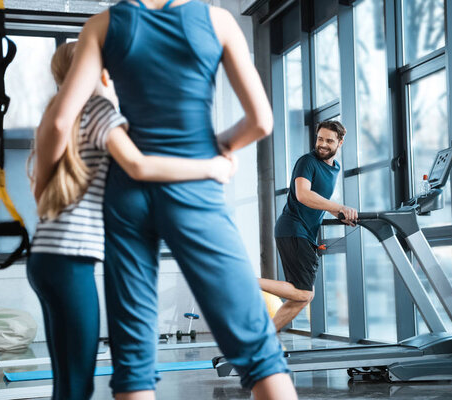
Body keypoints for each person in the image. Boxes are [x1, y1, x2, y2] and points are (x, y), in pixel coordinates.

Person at [34, 1, 297, 400]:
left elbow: (58, 120)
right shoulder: (218, 20)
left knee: (134, 360)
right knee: (259, 353)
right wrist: (218, 148)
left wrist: (44, 187)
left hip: (126, 198)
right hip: (193, 188)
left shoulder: (103, 25)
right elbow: (261, 121)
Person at [27, 41, 237, 400]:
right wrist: (210, 167)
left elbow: (40, 194)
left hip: (45, 260)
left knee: (67, 380)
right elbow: (139, 165)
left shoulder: (58, 115)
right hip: (70, 262)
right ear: (98, 70)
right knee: (77, 382)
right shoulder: (98, 109)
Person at [259, 120, 358, 332]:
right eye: (320, 138)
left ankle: (261, 339)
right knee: (304, 293)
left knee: (300, 298)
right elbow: (304, 195)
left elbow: (319, 200)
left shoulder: (335, 168)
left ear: (340, 143)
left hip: (303, 232)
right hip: (294, 229)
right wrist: (339, 206)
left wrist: (338, 213)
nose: (322, 144)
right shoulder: (307, 162)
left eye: (329, 141)